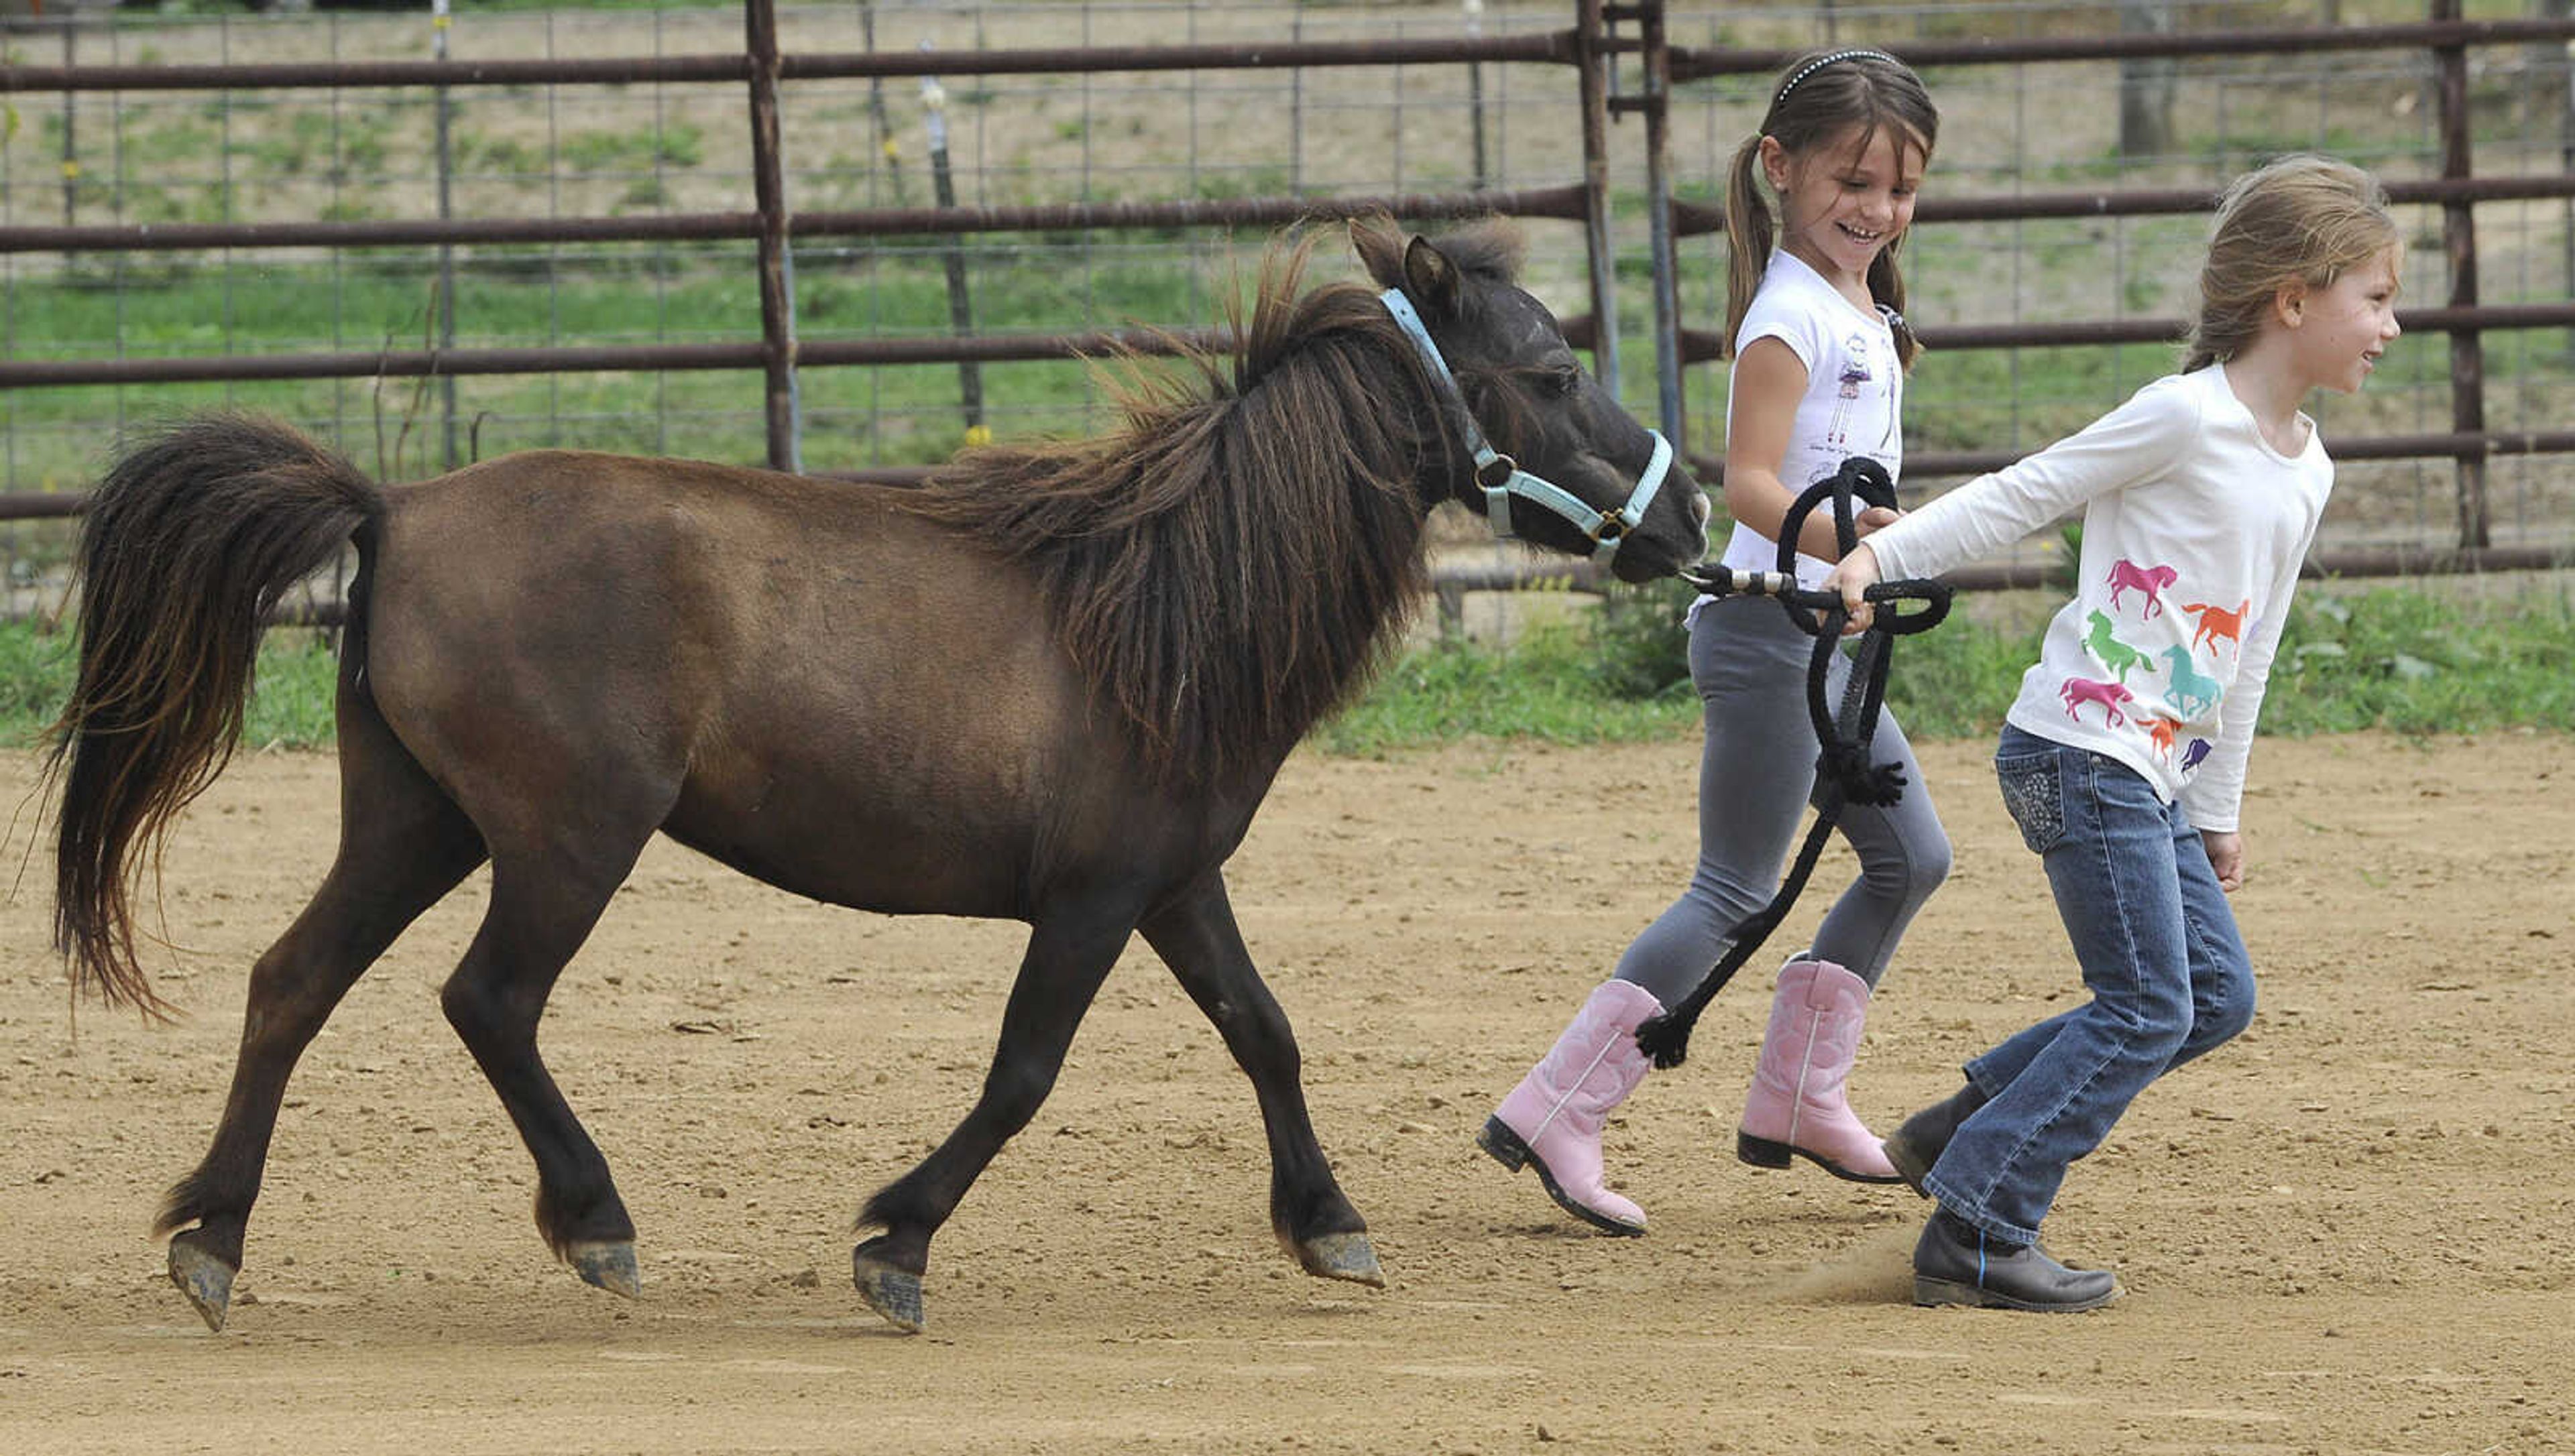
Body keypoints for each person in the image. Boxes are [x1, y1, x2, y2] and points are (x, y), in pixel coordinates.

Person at [1826, 154, 2404, 1311]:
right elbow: (2024, 492)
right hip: (2076, 754)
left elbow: (2249, 651)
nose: (2393, 323)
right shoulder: (2180, 418)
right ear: (2294, 298)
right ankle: (1979, 1230)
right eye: (2376, 297)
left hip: (2153, 775)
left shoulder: (2307, 470)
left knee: (2211, 997)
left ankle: (1967, 1127)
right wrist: (1879, 557)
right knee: (2149, 1005)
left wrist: (2218, 807)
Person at [1480, 48, 1949, 1235]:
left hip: (1819, 639)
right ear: (1779, 170)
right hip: (1766, 634)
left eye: (1898, 189)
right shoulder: (1789, 315)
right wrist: (1866, 530)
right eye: (1853, 180)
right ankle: (1562, 1105)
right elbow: (1746, 483)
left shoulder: (1864, 304)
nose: (1877, 209)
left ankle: (1798, 1092)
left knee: (1911, 858)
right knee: (1736, 886)